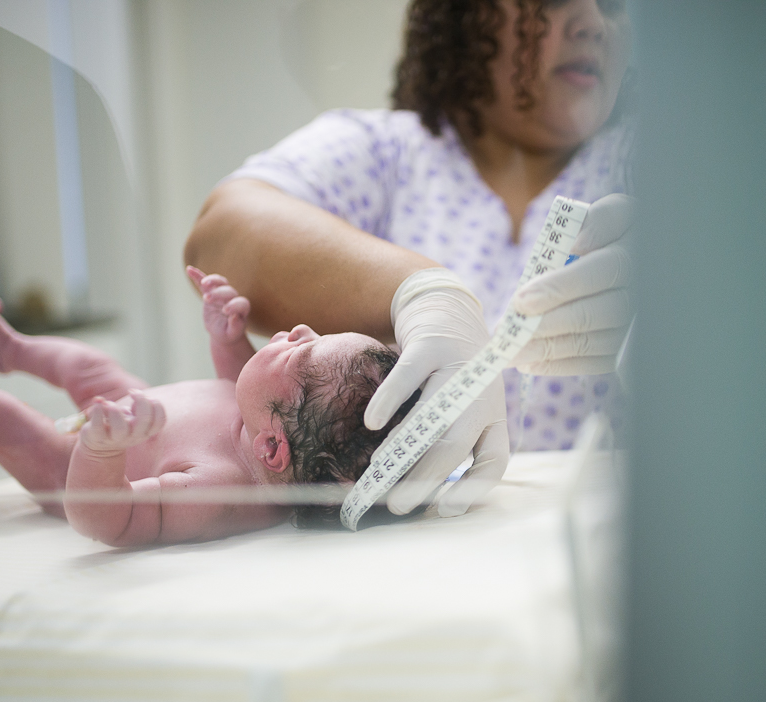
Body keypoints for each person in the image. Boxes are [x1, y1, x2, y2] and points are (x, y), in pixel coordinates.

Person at [184, 0, 635, 520]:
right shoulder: (385, 152)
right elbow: (217, 237)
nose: (593, 24)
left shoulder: (672, 158)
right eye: (553, 1)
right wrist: (425, 292)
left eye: (616, 6)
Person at [0, 269, 417, 546]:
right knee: (88, 363)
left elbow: (108, 519)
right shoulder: (269, 425)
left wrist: (100, 450)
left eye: (301, 351)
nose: (300, 329)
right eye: (316, 334)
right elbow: (240, 383)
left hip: (78, 464)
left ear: (272, 447)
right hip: (133, 406)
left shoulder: (218, 489)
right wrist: (227, 338)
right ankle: (11, 349)